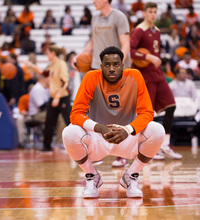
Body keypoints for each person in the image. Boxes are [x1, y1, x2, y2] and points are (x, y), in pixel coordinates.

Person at [62, 46, 165, 198]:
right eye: (107, 65)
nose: (111, 68)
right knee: (69, 133)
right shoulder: (91, 77)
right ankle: (91, 176)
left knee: (157, 130)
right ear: (101, 66)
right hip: (97, 137)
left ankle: (131, 176)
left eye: (116, 64)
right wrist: (99, 128)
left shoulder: (135, 76)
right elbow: (76, 114)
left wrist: (128, 130)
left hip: (126, 137)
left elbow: (147, 112)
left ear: (123, 66)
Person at [72, 0, 131, 167]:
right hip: (97, 70)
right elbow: (92, 43)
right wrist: (79, 56)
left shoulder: (119, 17)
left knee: (117, 111)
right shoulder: (95, 18)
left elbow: (126, 43)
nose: (93, 1)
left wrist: (119, 65)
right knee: (96, 112)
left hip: (115, 72)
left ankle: (122, 154)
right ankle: (96, 152)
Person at [130, 2, 182, 160]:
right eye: (150, 12)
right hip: (146, 77)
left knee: (171, 106)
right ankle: (147, 147)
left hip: (158, 74)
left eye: (155, 12)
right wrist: (148, 57)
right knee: (148, 113)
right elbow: (131, 51)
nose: (153, 14)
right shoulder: (139, 30)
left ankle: (165, 145)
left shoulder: (157, 31)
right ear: (145, 13)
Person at [28, 45, 71, 152]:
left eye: (47, 53)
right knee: (49, 122)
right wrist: (32, 66)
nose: (46, 55)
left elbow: (65, 82)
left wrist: (57, 97)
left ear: (52, 53)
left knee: (69, 121)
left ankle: (82, 143)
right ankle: (47, 146)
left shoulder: (61, 64)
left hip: (62, 97)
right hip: (53, 97)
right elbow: (44, 73)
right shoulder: (52, 65)